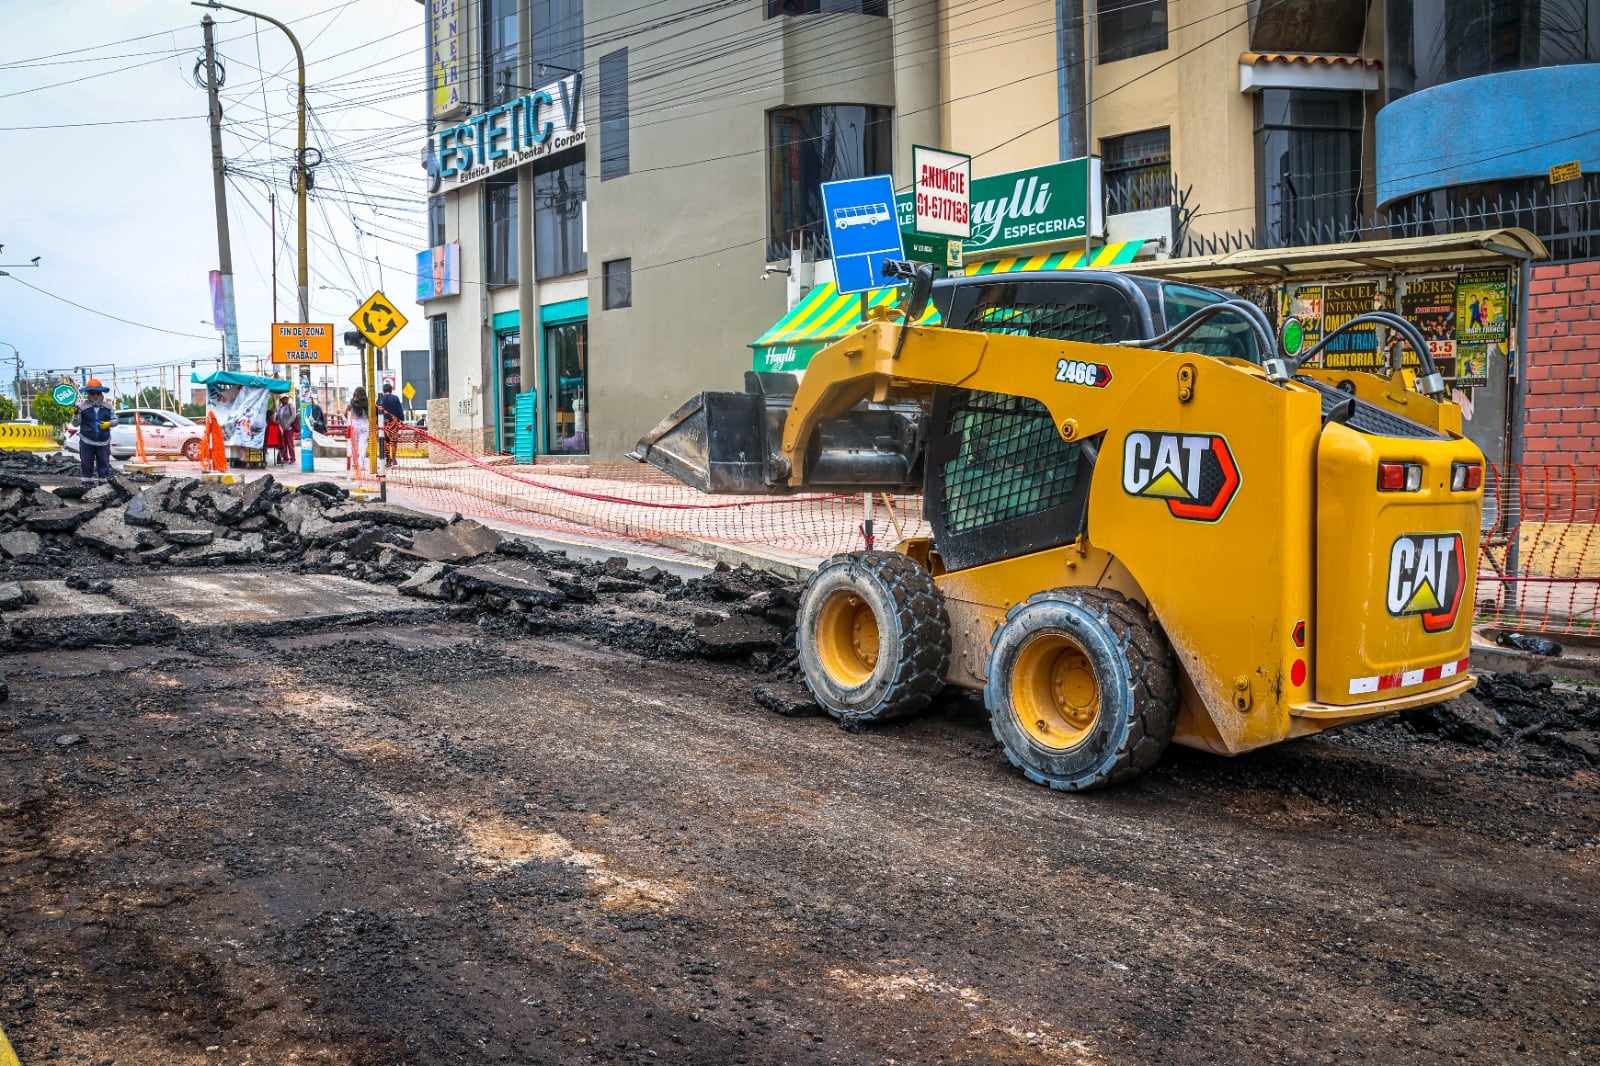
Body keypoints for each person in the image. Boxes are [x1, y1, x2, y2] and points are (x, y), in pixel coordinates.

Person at [77, 380, 115, 483]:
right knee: (86, 464)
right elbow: (76, 423)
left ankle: (104, 486)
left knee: (104, 465)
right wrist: (76, 414)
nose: (95, 396)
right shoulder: (81, 407)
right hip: (86, 441)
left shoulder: (108, 407)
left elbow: (115, 420)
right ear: (88, 394)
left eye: (97, 393)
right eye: (92, 393)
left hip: (103, 441)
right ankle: (86, 485)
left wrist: (109, 424)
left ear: (101, 393)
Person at [378, 382, 405, 468]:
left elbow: (376, 412)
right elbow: (400, 411)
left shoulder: (379, 399)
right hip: (393, 424)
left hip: (383, 424)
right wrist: (401, 420)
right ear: (391, 390)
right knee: (394, 441)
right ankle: (393, 457)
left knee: (385, 441)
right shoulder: (395, 398)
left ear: (383, 390)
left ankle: (388, 459)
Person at [347, 386, 371, 472]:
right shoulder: (367, 402)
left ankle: (354, 463)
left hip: (355, 424)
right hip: (365, 424)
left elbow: (345, 412)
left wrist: (348, 418)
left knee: (354, 445)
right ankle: (362, 465)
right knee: (363, 446)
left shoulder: (351, 402)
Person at [275, 396, 298, 465]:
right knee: (283, 443)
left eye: (286, 398)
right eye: (284, 399)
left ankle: (292, 458)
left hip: (289, 427)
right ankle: (285, 458)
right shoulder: (280, 407)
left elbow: (293, 416)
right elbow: (278, 417)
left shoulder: (291, 406)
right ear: (281, 400)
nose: (285, 400)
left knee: (290, 443)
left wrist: (288, 424)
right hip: (281, 428)